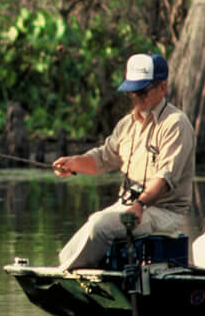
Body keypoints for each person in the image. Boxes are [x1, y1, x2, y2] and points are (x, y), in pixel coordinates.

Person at [51, 52, 195, 271]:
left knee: (99, 226)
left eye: (142, 91)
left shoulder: (176, 124)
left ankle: (69, 276)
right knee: (76, 243)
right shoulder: (127, 124)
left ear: (162, 88)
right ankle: (75, 274)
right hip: (129, 206)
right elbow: (103, 158)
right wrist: (73, 163)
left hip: (163, 212)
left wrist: (140, 205)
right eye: (132, 92)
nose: (136, 98)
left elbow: (165, 179)